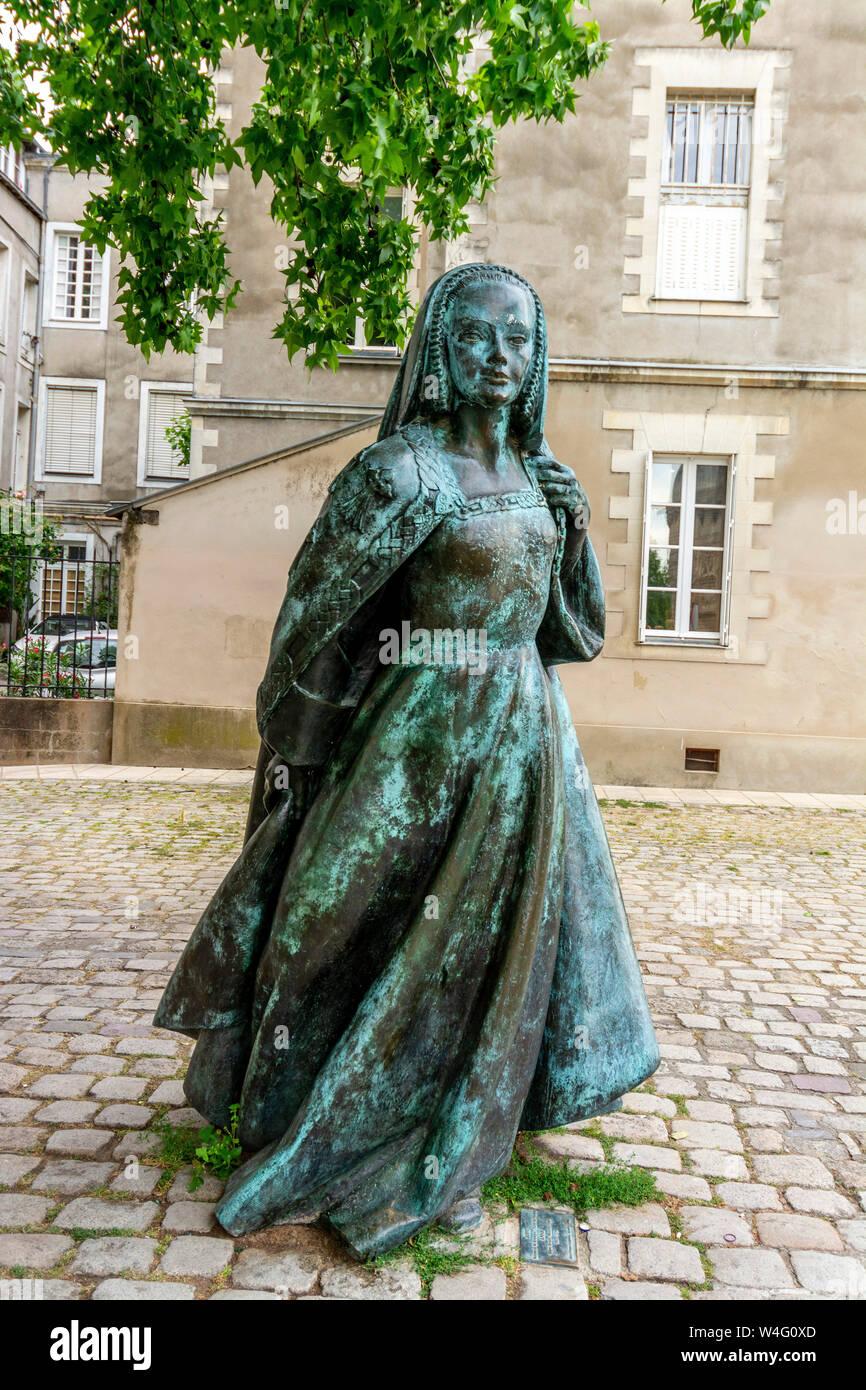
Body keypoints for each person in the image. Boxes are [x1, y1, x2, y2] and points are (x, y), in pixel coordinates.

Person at [154, 263, 659, 1259]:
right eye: (475, 335)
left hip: (518, 744)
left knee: (476, 952)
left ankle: (443, 1124)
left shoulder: (538, 480)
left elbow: (575, 634)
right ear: (438, 349)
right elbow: (314, 616)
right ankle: (281, 1090)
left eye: (517, 337)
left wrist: (578, 528)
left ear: (537, 352)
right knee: (320, 917)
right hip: (411, 731)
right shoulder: (398, 474)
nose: (498, 357)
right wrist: (300, 749)